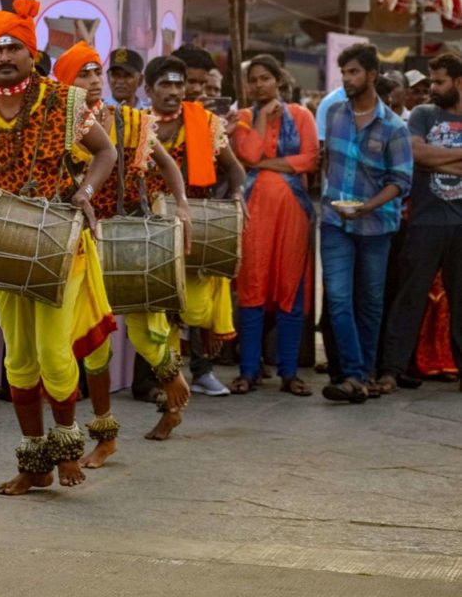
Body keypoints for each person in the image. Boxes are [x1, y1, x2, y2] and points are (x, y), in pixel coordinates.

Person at [0, 0, 117, 492]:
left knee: (54, 353)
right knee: (18, 358)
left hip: (56, 240)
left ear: (32, 53)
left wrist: (85, 193)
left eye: (14, 48)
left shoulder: (64, 102)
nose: (4, 56)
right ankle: (34, 462)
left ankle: (67, 447)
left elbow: (105, 152)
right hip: (3, 240)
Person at [53, 41, 193, 452]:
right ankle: (105, 435)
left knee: (149, 335)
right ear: (65, 83)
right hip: (82, 242)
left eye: (98, 73)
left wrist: (181, 204)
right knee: (94, 344)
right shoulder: (53, 125)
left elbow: (167, 164)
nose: (96, 81)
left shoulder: (129, 120)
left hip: (131, 238)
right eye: (85, 73)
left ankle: (173, 398)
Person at [144, 55, 247, 399]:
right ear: (149, 89)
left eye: (178, 84)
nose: (174, 92)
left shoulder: (203, 122)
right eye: (165, 85)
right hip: (150, 226)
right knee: (159, 307)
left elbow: (235, 170)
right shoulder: (137, 124)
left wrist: (236, 194)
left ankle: (199, 373)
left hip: (194, 228)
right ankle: (165, 379)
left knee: (195, 308)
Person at [321, 43, 412, 402]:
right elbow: (328, 160)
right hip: (333, 220)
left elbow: (401, 181)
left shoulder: (393, 127)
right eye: (344, 73)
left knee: (370, 301)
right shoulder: (335, 115)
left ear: (372, 75)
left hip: (377, 226)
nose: (347, 79)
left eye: (354, 72)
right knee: (339, 300)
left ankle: (363, 374)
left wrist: (367, 206)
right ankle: (355, 375)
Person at [229, 55, 319, 396]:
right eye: (253, 80)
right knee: (253, 287)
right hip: (255, 213)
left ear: (278, 80)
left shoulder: (302, 114)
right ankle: (248, 371)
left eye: (265, 78)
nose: (258, 85)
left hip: (293, 212)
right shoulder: (244, 118)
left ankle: (289, 372)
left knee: (289, 287)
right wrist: (264, 118)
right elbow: (249, 155)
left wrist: (268, 163)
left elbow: (309, 158)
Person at [378, 53, 462, 393]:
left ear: (459, 83)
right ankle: (391, 370)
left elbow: (429, 157)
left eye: (439, 82)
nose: (432, 89)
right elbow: (416, 155)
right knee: (409, 297)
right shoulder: (425, 115)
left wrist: (435, 161)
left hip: (460, 225)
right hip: (425, 221)